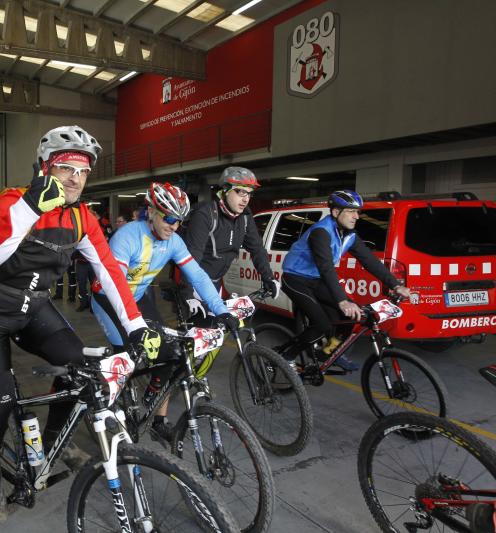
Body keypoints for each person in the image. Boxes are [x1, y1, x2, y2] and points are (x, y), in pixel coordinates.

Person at [0, 125, 160, 522]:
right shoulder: (14, 201)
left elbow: (109, 271)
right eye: (66, 168)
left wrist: (136, 326)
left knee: (79, 373)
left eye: (83, 172)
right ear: (45, 168)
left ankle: (51, 446)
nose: (75, 179)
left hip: (34, 308)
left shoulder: (83, 218)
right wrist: (32, 207)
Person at [91, 182, 238, 441]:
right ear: (152, 212)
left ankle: (158, 419)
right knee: (126, 357)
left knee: (171, 353)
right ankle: (108, 403)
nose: (174, 226)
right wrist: (137, 329)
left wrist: (221, 309)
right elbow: (117, 287)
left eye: (179, 221)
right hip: (109, 299)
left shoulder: (174, 241)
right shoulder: (127, 237)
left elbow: (199, 276)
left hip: (137, 297)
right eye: (169, 218)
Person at [280, 190, 411, 371]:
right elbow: (326, 267)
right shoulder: (321, 232)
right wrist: (342, 300)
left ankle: (326, 354)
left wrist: (395, 285)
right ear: (335, 212)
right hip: (295, 278)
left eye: (358, 212)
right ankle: (286, 356)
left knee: (349, 318)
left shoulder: (349, 235)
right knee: (321, 325)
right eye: (351, 211)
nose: (356, 216)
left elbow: (370, 261)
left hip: (316, 279)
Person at [182, 166, 279, 324]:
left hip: (216, 281)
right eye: (241, 192)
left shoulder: (245, 217)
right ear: (226, 190)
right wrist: (188, 293)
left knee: (223, 329)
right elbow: (192, 258)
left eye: (249, 193)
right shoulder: (206, 215)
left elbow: (257, 249)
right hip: (196, 283)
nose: (246, 199)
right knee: (201, 334)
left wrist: (268, 277)